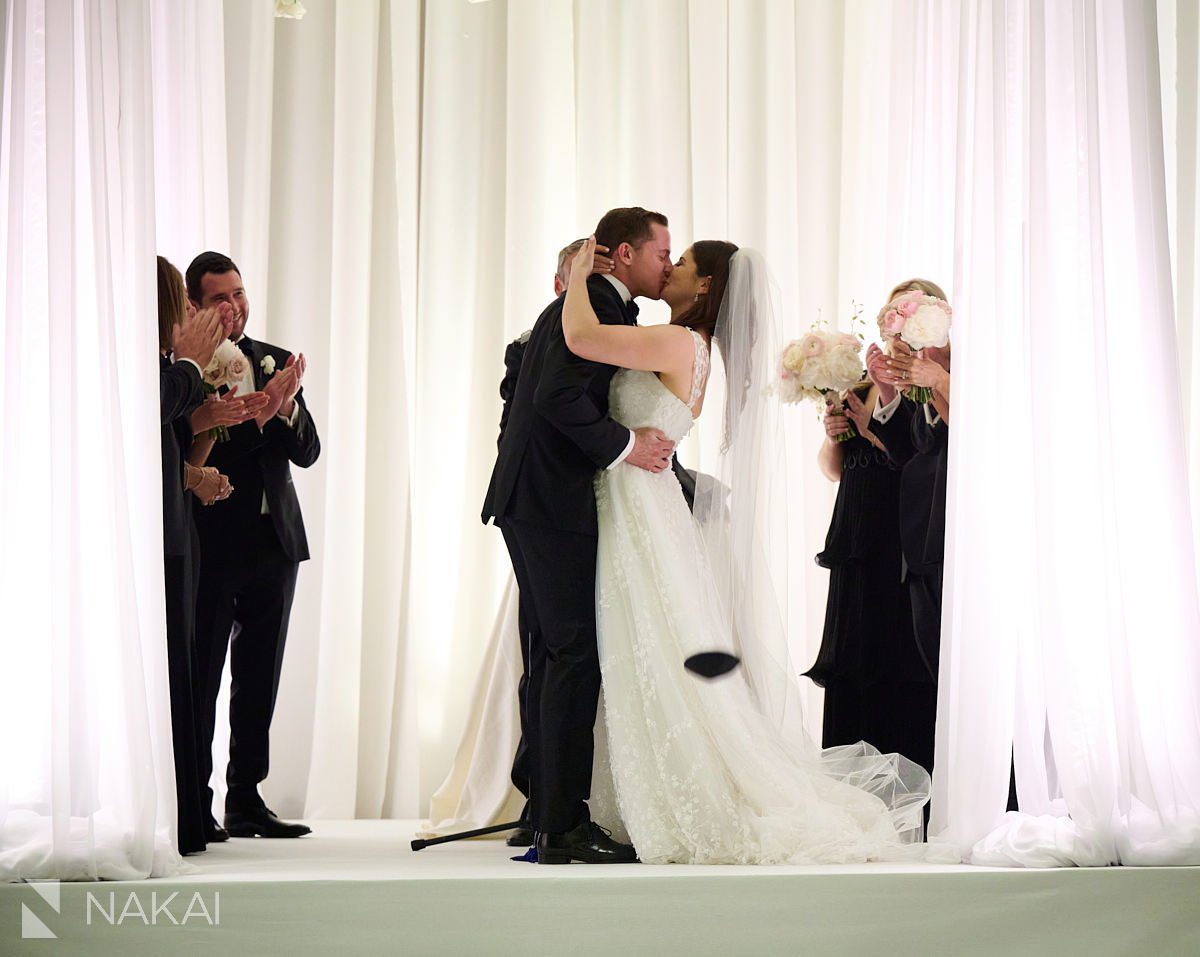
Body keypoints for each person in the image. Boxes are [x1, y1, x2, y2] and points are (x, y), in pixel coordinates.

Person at [557, 235, 930, 864]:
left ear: (705, 286)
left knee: (646, 645)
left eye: (682, 264)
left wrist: (572, 274)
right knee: (645, 647)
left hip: (639, 505)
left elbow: (583, 340)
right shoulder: (685, 343)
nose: (670, 268)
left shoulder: (679, 343)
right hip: (642, 504)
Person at [481, 208, 677, 864]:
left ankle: (549, 813)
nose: (668, 266)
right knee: (571, 655)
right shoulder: (593, 297)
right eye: (660, 254)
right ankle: (560, 824)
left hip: (536, 497)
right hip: (549, 500)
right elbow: (557, 397)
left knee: (554, 655)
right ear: (623, 254)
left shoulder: (601, 304)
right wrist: (627, 445)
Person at [187, 251, 320, 840]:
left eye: (239, 293)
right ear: (195, 305)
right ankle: (193, 799)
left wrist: (284, 405)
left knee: (259, 674)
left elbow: (309, 451)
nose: (234, 306)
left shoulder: (270, 359)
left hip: (276, 542)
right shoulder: (187, 371)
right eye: (219, 297)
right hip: (215, 542)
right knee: (203, 672)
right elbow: (206, 455)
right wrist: (260, 416)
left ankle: (246, 798)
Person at [803, 335, 934, 777]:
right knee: (851, 651)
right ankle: (848, 779)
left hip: (896, 533)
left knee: (892, 656)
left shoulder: (927, 392)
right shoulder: (859, 389)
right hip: (854, 535)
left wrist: (871, 431)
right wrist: (833, 437)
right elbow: (832, 469)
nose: (895, 340)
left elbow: (919, 459)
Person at [157, 256, 232, 854]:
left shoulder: (173, 370)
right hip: (164, 536)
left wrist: (211, 417)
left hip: (182, 531)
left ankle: (188, 814)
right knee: (178, 673)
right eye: (183, 301)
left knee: (185, 669)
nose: (195, 313)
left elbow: (180, 447)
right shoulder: (159, 369)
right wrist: (189, 365)